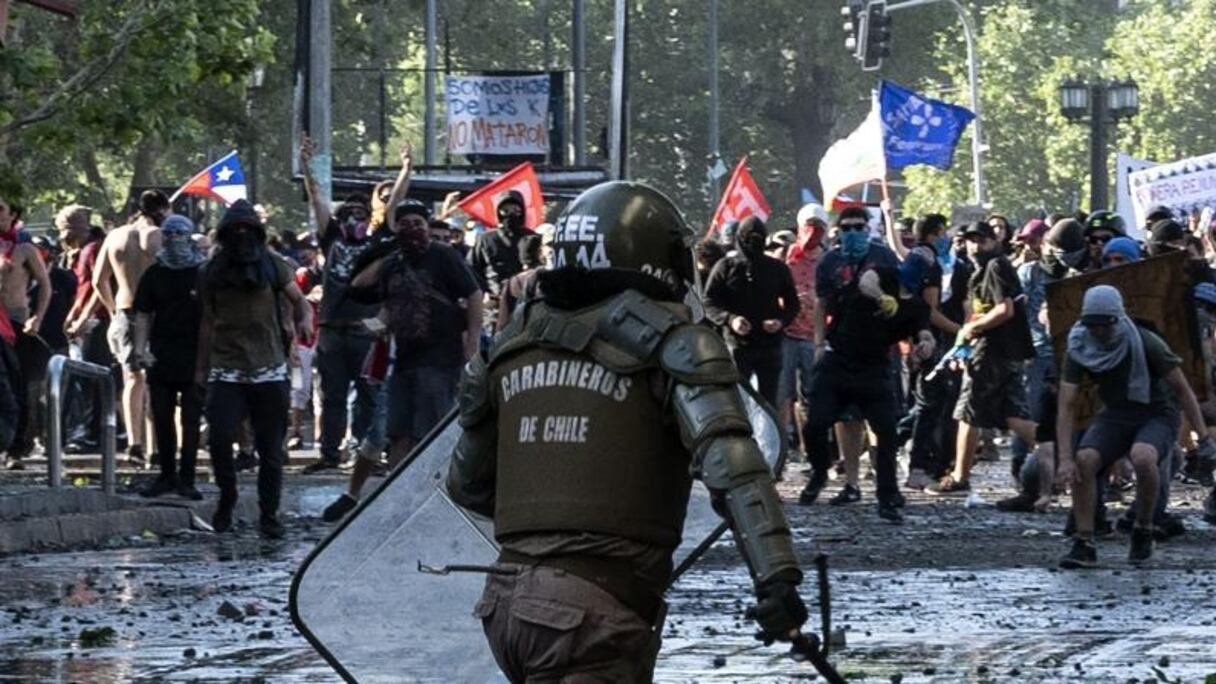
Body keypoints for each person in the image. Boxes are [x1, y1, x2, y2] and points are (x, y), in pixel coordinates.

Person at [445, 181, 807, 681]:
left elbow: (466, 484)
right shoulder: (676, 345)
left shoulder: (508, 347)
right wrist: (777, 579)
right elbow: (735, 468)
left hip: (506, 602)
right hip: (594, 609)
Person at [320, 199, 482, 522]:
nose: (412, 230)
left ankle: (435, 503)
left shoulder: (443, 256)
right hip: (402, 361)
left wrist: (473, 343)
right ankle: (398, 502)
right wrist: (388, 256)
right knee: (397, 433)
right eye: (404, 223)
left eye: (417, 223)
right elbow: (359, 287)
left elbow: (474, 294)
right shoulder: (393, 263)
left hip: (440, 359)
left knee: (430, 432)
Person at [1057, 285, 1215, 568]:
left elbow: (1182, 390)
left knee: (1143, 456)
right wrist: (1065, 458)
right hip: (1117, 412)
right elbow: (1066, 404)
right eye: (1093, 325)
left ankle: (1143, 527)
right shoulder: (1080, 345)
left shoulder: (1145, 342)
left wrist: (1203, 439)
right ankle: (1084, 541)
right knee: (1084, 460)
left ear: (1117, 319)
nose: (1099, 332)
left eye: (1105, 324)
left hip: (1157, 412)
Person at [798, 207, 932, 523]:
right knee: (815, 423)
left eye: (860, 227)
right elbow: (867, 282)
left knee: (886, 432)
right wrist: (880, 297)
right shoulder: (880, 272)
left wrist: (924, 344)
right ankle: (820, 472)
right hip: (838, 360)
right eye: (848, 228)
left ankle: (887, 497)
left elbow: (922, 328)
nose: (854, 233)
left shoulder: (911, 302)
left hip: (874, 367)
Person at [197, 200, 312, 539]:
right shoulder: (210, 272)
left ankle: (269, 513)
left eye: (249, 229)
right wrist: (200, 369)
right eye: (236, 229)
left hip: (269, 368)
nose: (242, 234)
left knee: (271, 449)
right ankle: (227, 496)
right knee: (219, 440)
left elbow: (299, 300)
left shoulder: (274, 266)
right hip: (225, 369)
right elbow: (206, 320)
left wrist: (304, 319)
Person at [300, 137, 409, 473]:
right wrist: (307, 166)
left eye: (360, 214)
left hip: (366, 330)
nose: (353, 219)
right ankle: (330, 454)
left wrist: (406, 168)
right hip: (332, 329)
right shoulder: (331, 238)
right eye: (347, 214)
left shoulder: (378, 242)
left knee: (368, 396)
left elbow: (392, 209)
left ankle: (365, 456)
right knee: (332, 396)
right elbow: (317, 199)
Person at [929, 221, 1038, 494]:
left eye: (981, 240)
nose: (975, 246)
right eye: (970, 240)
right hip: (1002, 352)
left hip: (993, 353)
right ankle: (1060, 459)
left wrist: (972, 329)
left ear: (994, 241)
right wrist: (965, 342)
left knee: (968, 413)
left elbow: (1005, 309)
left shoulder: (995, 267)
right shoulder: (980, 271)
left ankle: (959, 477)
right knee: (1014, 417)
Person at [93, 189, 169, 465]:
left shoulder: (114, 236)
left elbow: (98, 280)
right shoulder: (156, 235)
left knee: (132, 379)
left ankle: (134, 441)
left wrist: (113, 309)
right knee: (157, 380)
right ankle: (154, 446)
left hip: (125, 309)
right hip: (155, 313)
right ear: (162, 210)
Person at [133, 215, 205, 500]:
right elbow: (142, 314)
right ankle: (166, 474)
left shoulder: (202, 273)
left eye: (180, 234)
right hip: (161, 355)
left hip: (195, 355)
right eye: (169, 234)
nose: (174, 239)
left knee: (191, 418)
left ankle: (187, 477)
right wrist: (140, 349)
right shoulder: (154, 274)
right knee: (161, 417)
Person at [703, 216, 800, 408]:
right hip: (737, 346)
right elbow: (708, 301)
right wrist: (731, 320)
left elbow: (793, 304)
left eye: (759, 238)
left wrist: (780, 322)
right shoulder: (725, 267)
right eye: (750, 238)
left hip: (770, 346)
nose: (754, 243)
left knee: (769, 403)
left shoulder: (777, 269)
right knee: (737, 402)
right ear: (740, 238)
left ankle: (770, 438)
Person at [0, 194, 49, 471]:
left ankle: (18, 447)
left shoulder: (24, 248)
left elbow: (45, 284)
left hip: (17, 322)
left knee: (21, 386)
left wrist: (37, 318)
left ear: (12, 214)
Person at [780, 204, 826, 453]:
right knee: (783, 396)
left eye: (818, 228)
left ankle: (813, 451)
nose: (813, 233)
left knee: (811, 397)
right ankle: (782, 450)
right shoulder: (786, 257)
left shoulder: (829, 260)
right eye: (809, 227)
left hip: (815, 336)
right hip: (787, 334)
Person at [468, 190, 537, 331]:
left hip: (525, 301)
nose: (510, 214)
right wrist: (483, 293)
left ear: (522, 211)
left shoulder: (532, 237)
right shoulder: (486, 239)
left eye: (515, 210)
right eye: (505, 210)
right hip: (494, 304)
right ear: (498, 212)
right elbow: (471, 269)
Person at [495, 234, 544, 330]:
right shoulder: (545, 277)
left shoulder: (514, 281)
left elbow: (502, 321)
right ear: (539, 252)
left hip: (518, 336)